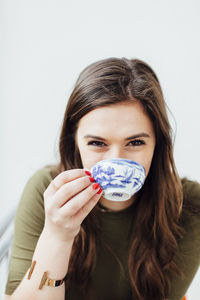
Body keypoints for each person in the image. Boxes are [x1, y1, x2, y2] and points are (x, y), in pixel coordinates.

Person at [4, 57, 200, 300]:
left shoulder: (188, 205)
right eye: (97, 143)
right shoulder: (47, 189)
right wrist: (58, 235)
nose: (116, 159)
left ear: (157, 144)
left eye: (136, 142)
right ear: (74, 142)